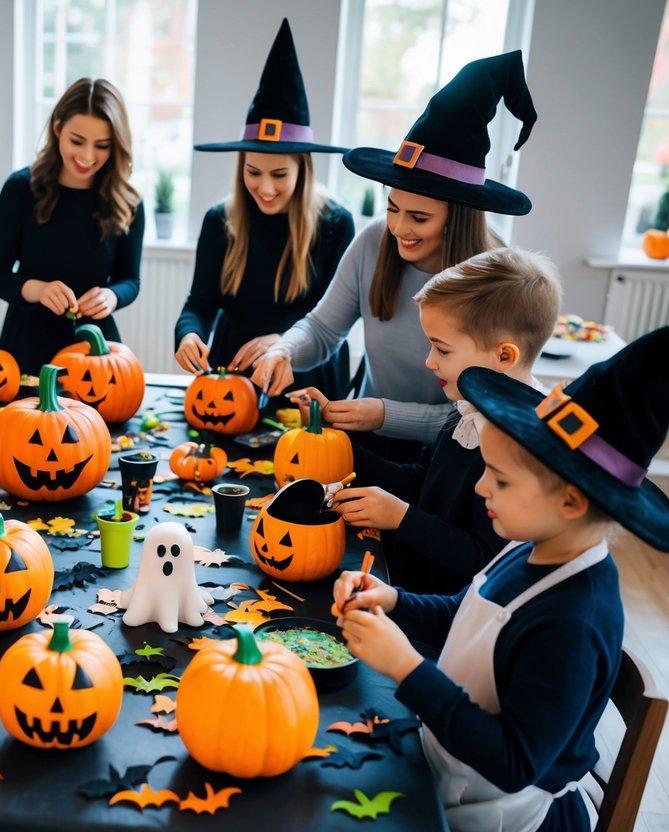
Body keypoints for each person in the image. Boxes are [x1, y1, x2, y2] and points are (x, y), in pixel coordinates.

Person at [333, 327, 669, 831]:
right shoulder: (530, 546)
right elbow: (467, 613)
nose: (479, 484)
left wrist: (406, 667)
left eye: (501, 479)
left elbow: (513, 762)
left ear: (571, 502)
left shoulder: (574, 621)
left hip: (510, 814)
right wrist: (394, 599)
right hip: (452, 763)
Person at [253, 51, 537, 454]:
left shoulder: (496, 275)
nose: (399, 228)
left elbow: (483, 412)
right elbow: (322, 329)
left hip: (451, 456)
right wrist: (283, 349)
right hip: (369, 443)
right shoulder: (373, 241)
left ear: (457, 218)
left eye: (419, 218)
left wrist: (385, 414)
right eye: (392, 208)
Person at [329, 247, 561, 594]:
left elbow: (481, 557)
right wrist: (342, 453)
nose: (430, 362)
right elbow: (425, 479)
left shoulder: (518, 445)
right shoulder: (467, 408)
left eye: (443, 349)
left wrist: (400, 517)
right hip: (408, 587)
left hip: (446, 612)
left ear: (503, 356)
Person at [175, 19, 354, 399]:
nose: (265, 188)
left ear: (303, 170)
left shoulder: (335, 224)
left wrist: (284, 341)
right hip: (233, 371)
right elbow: (200, 302)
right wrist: (188, 332)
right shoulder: (219, 220)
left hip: (306, 369)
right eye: (253, 172)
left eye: (279, 174)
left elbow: (335, 319)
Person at [0, 77, 145, 374]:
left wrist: (112, 296)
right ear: (58, 128)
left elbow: (130, 280)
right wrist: (39, 290)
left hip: (96, 351)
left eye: (102, 146)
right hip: (26, 347)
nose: (87, 157)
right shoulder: (20, 189)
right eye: (77, 141)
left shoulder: (128, 200)